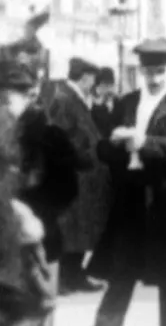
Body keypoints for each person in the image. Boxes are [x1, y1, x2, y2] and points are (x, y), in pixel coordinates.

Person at [89, 39, 166, 326]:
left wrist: (146, 143)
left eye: (159, 72)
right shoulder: (127, 102)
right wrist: (115, 143)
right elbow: (102, 148)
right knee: (120, 277)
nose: (153, 79)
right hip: (130, 201)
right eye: (148, 72)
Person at [46, 58, 110, 295]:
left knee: (80, 228)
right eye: (93, 78)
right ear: (84, 78)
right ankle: (65, 278)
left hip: (84, 175)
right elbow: (59, 138)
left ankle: (74, 274)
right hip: (74, 174)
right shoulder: (65, 100)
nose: (94, 83)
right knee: (71, 228)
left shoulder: (73, 99)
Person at [0, 60, 57, 326]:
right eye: (25, 95)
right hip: (8, 245)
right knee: (32, 307)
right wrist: (19, 215)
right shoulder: (4, 120)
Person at [90, 68, 118, 139]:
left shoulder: (115, 100)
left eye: (111, 85)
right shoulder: (90, 101)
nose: (109, 89)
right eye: (105, 85)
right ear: (97, 85)